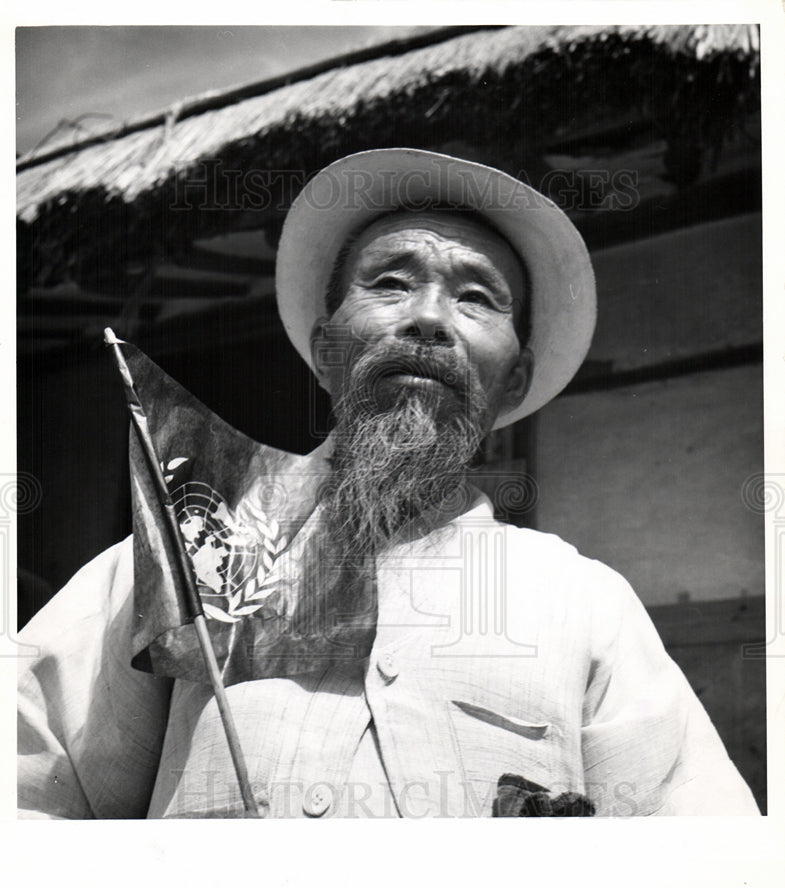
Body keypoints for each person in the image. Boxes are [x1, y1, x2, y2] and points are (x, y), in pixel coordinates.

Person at [17, 148, 759, 819]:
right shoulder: (191, 558)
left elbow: (705, 865)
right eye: (391, 283)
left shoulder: (582, 603)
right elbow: (25, 800)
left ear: (515, 379)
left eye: (476, 298)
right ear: (326, 345)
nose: (429, 319)